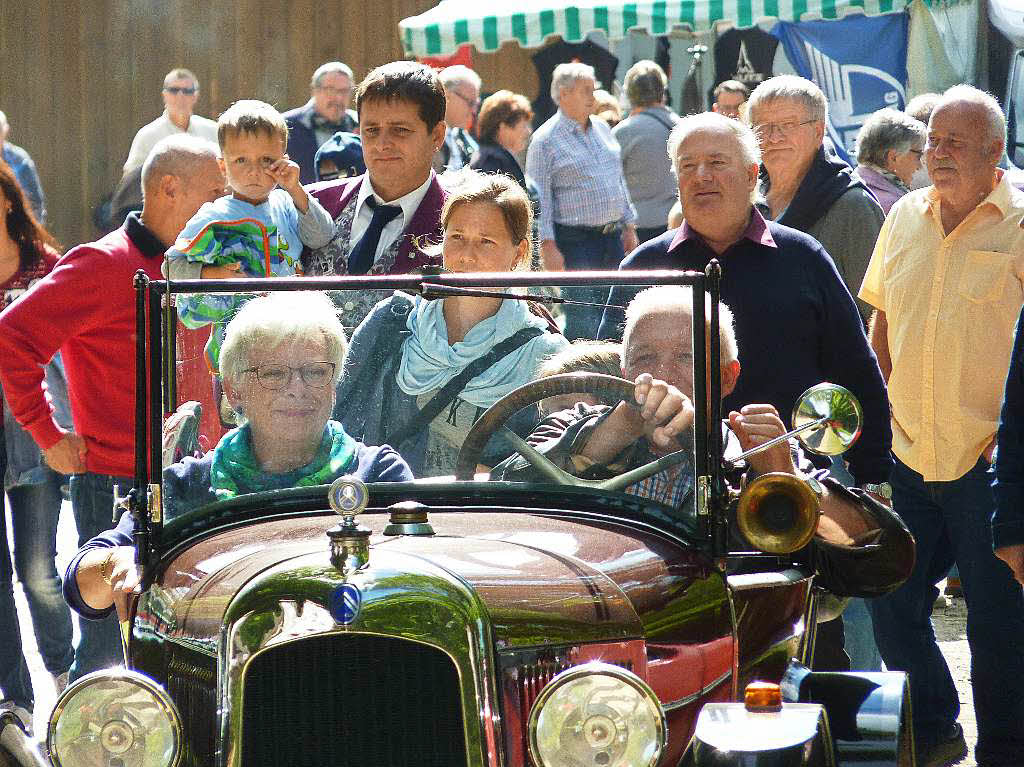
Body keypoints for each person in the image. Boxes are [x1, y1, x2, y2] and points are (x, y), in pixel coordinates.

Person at [495, 286, 913, 602]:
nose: (663, 374)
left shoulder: (750, 453)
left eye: (686, 356)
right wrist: (620, 427)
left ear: (728, 378)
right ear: (623, 371)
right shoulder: (574, 424)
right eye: (644, 360)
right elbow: (501, 496)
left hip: (720, 648)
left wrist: (786, 478)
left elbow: (882, 565)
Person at [0, 135, 226, 681]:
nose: (224, 205)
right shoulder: (102, 263)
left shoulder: (207, 264)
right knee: (109, 644)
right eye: (214, 192)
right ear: (169, 188)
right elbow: (11, 337)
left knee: (193, 637)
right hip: (118, 482)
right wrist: (48, 435)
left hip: (199, 477)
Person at [62, 291, 413, 630]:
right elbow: (81, 589)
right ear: (234, 392)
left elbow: (420, 574)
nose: (297, 388)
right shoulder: (189, 486)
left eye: (316, 372)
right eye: (274, 373)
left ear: (334, 384)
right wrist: (118, 562)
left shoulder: (378, 474)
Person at [858, 85, 1024, 767]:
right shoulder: (902, 216)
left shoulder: (1019, 223)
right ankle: (935, 725)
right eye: (934, 140)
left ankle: (1006, 754)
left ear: (997, 152)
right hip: (909, 451)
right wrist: (884, 408)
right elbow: (883, 321)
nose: (940, 152)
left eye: (958, 142)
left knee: (998, 630)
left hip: (989, 460)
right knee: (890, 601)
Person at [599, 112, 892, 489]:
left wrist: (874, 480)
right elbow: (608, 375)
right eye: (688, 166)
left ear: (753, 175)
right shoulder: (643, 266)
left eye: (717, 163)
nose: (702, 175)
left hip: (792, 477)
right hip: (662, 480)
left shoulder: (802, 257)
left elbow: (857, 373)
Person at [336, 170, 567, 477]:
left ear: (519, 252)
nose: (466, 256)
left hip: (490, 518)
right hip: (389, 510)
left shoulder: (545, 354)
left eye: (485, 242)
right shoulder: (393, 321)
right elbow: (339, 420)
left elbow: (555, 464)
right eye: (456, 237)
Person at [164, 99, 334, 369]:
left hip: (290, 334)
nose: (253, 171)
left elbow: (321, 236)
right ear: (223, 167)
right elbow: (170, 266)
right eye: (241, 160)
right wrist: (212, 275)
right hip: (235, 346)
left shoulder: (286, 203)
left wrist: (296, 189)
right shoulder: (214, 217)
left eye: (266, 160)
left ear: (282, 162)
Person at [0, 164, 73, 734]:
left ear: (7, 202)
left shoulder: (47, 268)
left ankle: (62, 676)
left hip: (34, 431)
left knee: (38, 571)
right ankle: (16, 700)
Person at [303, 61, 448, 328]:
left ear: (437, 135)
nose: (382, 144)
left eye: (400, 130)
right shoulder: (311, 203)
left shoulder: (461, 223)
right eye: (371, 130)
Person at [747, 75, 884, 322]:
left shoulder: (853, 206)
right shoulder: (746, 200)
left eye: (787, 125)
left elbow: (876, 315)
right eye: (762, 127)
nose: (773, 137)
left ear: (818, 132)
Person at [525, 62, 637, 340]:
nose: (594, 96)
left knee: (617, 312)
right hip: (575, 242)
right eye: (586, 90)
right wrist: (548, 246)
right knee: (584, 318)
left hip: (612, 237)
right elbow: (540, 199)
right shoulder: (545, 140)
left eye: (594, 88)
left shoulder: (602, 127)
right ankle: (583, 376)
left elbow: (617, 179)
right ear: (563, 94)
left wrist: (629, 225)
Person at [614, 60, 680, 243]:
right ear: (662, 91)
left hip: (637, 227)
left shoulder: (623, 132)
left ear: (630, 94)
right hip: (677, 221)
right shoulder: (681, 126)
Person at [122, 68, 218, 176]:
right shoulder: (147, 136)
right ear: (164, 95)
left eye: (187, 91)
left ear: (195, 96)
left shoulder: (212, 131)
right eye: (174, 90)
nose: (180, 96)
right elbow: (131, 179)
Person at [284, 62, 359, 185]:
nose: (338, 98)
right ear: (315, 91)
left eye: (344, 91)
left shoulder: (360, 125)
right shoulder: (287, 125)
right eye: (330, 90)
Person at [854, 109, 927, 215]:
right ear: (894, 157)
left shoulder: (850, 189)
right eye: (918, 155)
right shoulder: (895, 206)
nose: (919, 166)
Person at [470, 90, 533, 190]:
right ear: (502, 128)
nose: (528, 132)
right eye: (524, 125)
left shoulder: (494, 157)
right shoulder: (491, 162)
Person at [0, 111, 45, 224]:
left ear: (5, 131)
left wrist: (30, 235)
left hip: (14, 228)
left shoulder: (19, 161)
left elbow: (35, 204)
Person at [434, 66, 481, 172]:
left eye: (476, 104)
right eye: (470, 102)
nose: (474, 111)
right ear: (447, 96)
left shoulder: (461, 137)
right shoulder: (428, 136)